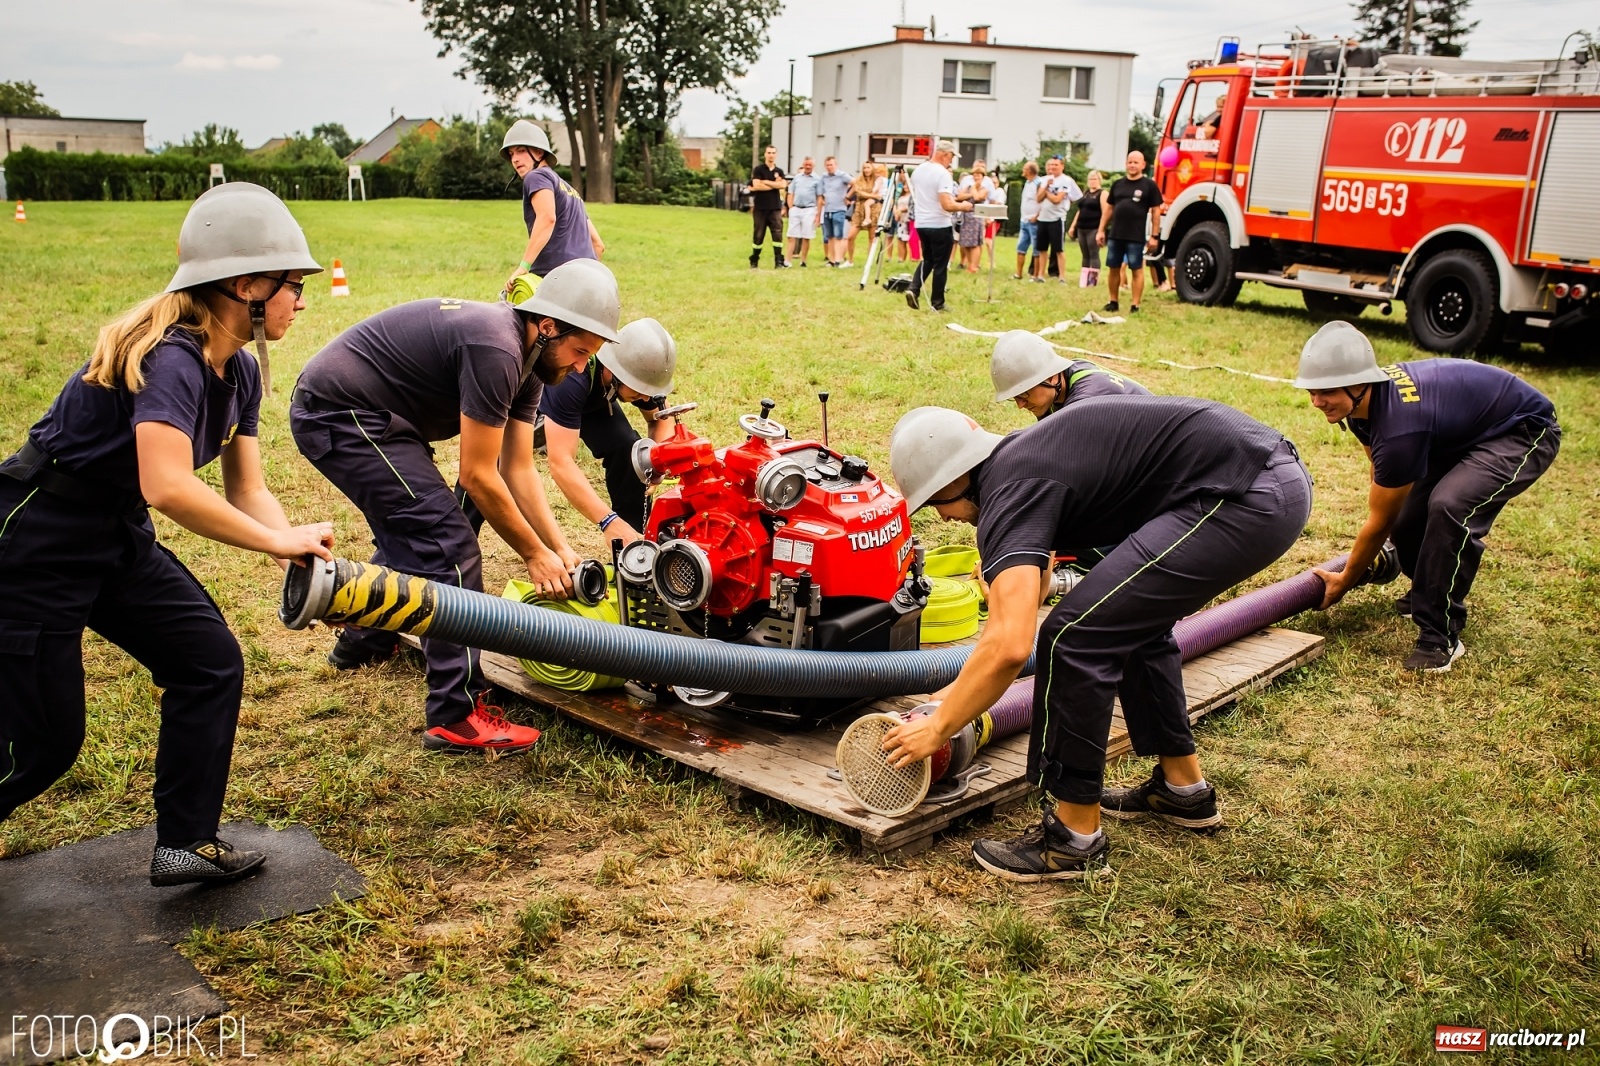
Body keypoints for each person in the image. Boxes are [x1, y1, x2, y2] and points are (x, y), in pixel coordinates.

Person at [0, 183, 334, 886]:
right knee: (42, 745)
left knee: (208, 660)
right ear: (246, 284)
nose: (299, 301)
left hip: (114, 533)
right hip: (36, 540)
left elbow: (248, 489)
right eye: (291, 285)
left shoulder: (239, 368)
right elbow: (169, 485)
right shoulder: (171, 358)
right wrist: (276, 543)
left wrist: (297, 549)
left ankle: (184, 842)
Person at [882, 399, 1310, 881]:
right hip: (1263, 477)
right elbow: (1034, 583)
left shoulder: (1009, 491)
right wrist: (953, 697)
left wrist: (937, 728)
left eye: (936, 504)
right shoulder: (1020, 462)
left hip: (1244, 495)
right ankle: (1183, 790)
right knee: (1125, 624)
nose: (943, 519)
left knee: (1073, 638)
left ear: (952, 481)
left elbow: (1009, 646)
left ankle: (1073, 839)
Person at [290, 259, 621, 755]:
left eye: (589, 357)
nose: (580, 367)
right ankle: (457, 715)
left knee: (415, 536)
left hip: (386, 421)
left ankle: (363, 636)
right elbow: (478, 476)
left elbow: (518, 469)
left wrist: (559, 547)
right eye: (579, 352)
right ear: (548, 326)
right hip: (340, 414)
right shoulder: (496, 347)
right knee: (447, 544)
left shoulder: (532, 365)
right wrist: (533, 555)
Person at [1295, 322, 1560, 672]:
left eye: (1325, 392)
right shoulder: (1362, 407)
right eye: (1311, 391)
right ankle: (1427, 591)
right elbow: (1382, 476)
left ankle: (1440, 636)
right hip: (1459, 431)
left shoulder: (1400, 426)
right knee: (1407, 519)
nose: (1316, 402)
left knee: (1450, 507)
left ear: (1358, 383)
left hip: (1521, 429)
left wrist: (1345, 580)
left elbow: (1378, 522)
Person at [526, 318, 679, 546]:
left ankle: (632, 543)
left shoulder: (639, 374)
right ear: (617, 372)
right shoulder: (572, 378)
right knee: (495, 470)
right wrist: (608, 521)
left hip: (596, 399)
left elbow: (661, 420)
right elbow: (561, 464)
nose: (647, 398)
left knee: (629, 450)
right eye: (640, 391)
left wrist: (657, 464)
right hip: (539, 395)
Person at [501, 119, 603, 294]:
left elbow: (547, 218)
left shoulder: (536, 177)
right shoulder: (570, 191)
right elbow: (598, 245)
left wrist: (523, 267)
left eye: (521, 151)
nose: (515, 159)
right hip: (586, 281)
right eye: (511, 154)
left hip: (552, 280)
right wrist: (587, 278)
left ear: (539, 153)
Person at [989, 330, 1150, 420]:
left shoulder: (1085, 403)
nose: (1020, 405)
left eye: (1023, 394)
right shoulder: (1065, 376)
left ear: (1050, 377)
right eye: (1015, 398)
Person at [905, 140, 975, 312]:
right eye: (951, 156)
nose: (951, 160)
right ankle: (938, 303)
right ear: (944, 154)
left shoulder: (919, 170)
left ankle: (913, 289)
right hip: (939, 223)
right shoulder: (943, 174)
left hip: (921, 223)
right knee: (941, 265)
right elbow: (946, 204)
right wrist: (964, 206)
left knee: (928, 259)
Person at [1097, 151, 1163, 313]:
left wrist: (1154, 236)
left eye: (1136, 162)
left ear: (1143, 165)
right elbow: (1109, 209)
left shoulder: (1149, 185)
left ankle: (1135, 304)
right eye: (1130, 162)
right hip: (1116, 235)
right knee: (1113, 268)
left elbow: (1156, 212)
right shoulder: (1118, 184)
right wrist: (1101, 230)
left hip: (1135, 236)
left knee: (1136, 269)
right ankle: (1113, 301)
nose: (1132, 165)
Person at [1033, 157, 1081, 284]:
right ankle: (1040, 275)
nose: (1052, 167)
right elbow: (1038, 199)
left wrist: (1046, 193)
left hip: (1057, 218)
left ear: (1062, 166)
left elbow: (1057, 199)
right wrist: (1046, 188)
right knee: (1042, 248)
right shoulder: (1043, 180)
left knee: (1059, 249)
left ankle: (1062, 277)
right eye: (1050, 165)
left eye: (1055, 165)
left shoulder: (1066, 180)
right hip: (1043, 218)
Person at [747, 145, 787, 269]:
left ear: (776, 155)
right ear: (765, 154)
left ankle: (779, 261)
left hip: (775, 208)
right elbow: (756, 185)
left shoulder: (779, 171)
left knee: (777, 234)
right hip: (760, 208)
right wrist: (775, 185)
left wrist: (766, 182)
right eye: (769, 152)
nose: (771, 155)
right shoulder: (758, 169)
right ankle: (754, 260)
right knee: (758, 235)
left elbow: (783, 184)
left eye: (773, 153)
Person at [955, 159, 995, 273]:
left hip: (976, 217)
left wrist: (972, 189)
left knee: (975, 243)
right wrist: (969, 193)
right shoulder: (967, 186)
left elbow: (978, 198)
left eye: (978, 175)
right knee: (966, 242)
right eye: (974, 175)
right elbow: (959, 196)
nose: (976, 177)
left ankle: (974, 266)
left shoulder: (984, 189)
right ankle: (969, 264)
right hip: (965, 217)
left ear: (983, 176)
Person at [1066, 170, 1104, 287]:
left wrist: (1101, 229)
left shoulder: (1102, 194)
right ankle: (1084, 280)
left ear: (1099, 180)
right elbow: (1080, 210)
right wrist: (1073, 226)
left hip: (1094, 227)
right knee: (1085, 254)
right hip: (1082, 228)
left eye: (1095, 179)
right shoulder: (1086, 194)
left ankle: (1092, 281)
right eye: (1091, 179)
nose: (1092, 181)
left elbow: (1105, 211)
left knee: (1093, 253)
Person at [844, 162, 884, 267]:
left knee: (871, 237)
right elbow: (859, 192)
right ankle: (850, 260)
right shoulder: (859, 180)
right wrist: (874, 196)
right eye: (864, 168)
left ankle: (869, 261)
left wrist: (876, 197)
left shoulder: (877, 180)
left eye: (868, 167)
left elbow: (882, 191)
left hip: (873, 209)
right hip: (859, 209)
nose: (866, 170)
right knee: (850, 236)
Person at [784, 156, 821, 267]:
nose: (808, 167)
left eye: (810, 165)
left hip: (809, 209)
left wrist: (818, 213)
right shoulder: (797, 177)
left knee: (806, 236)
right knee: (791, 235)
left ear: (813, 166)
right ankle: (787, 260)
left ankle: (803, 260)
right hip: (796, 208)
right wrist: (791, 208)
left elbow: (819, 197)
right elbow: (790, 193)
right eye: (806, 164)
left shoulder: (817, 179)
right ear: (803, 165)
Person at [817, 156, 853, 268]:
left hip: (839, 209)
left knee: (838, 235)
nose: (829, 167)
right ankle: (831, 260)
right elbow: (820, 193)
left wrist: (848, 196)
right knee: (830, 236)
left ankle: (838, 259)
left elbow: (856, 183)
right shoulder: (824, 177)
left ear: (836, 165)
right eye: (827, 165)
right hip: (828, 209)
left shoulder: (842, 175)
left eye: (831, 165)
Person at [1013, 161, 1041, 280]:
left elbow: (1041, 201)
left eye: (1024, 168)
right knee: (1021, 247)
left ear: (1030, 171)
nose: (1022, 171)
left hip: (1034, 221)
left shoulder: (1039, 183)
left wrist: (1037, 216)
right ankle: (1018, 273)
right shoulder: (1027, 183)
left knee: (1036, 249)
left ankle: (1035, 275)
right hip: (1024, 220)